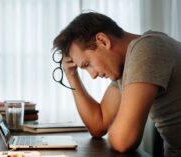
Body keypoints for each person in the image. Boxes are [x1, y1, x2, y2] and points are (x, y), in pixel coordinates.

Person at [53, 12, 181, 157]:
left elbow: (123, 140)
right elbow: (98, 125)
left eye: (87, 64)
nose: (93, 75)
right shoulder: (125, 68)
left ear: (102, 41)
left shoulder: (147, 49)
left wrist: (121, 128)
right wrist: (71, 75)